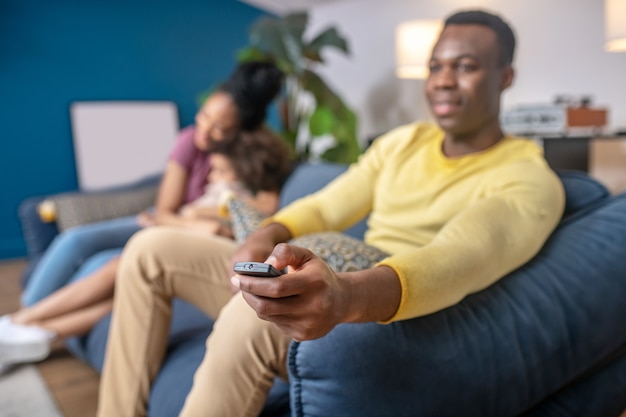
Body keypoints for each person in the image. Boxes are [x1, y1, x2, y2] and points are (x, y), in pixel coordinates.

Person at [97, 9, 566, 417]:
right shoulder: (404, 142)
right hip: (344, 290)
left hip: (396, 315)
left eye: (466, 67)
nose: (444, 80)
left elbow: (458, 259)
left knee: (252, 313)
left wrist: (344, 297)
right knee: (149, 249)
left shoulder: (528, 178)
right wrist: (266, 234)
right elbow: (328, 204)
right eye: (436, 66)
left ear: (505, 76)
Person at [0, 128, 293, 370]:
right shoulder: (221, 190)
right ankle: (38, 333)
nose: (212, 177)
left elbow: (249, 217)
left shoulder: (239, 198)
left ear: (244, 171)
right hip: (177, 237)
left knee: (119, 265)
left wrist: (194, 217)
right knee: (121, 286)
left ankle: (20, 321)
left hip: (198, 248)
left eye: (220, 170)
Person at [19, 61, 285, 308]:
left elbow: (268, 204)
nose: (203, 131)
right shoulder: (189, 141)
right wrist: (198, 222)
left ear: (240, 132)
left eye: (219, 128)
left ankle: (29, 324)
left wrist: (208, 218)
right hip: (166, 220)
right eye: (203, 116)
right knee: (75, 240)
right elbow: (164, 211)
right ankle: (25, 312)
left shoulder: (250, 158)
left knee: (107, 265)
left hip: (182, 234)